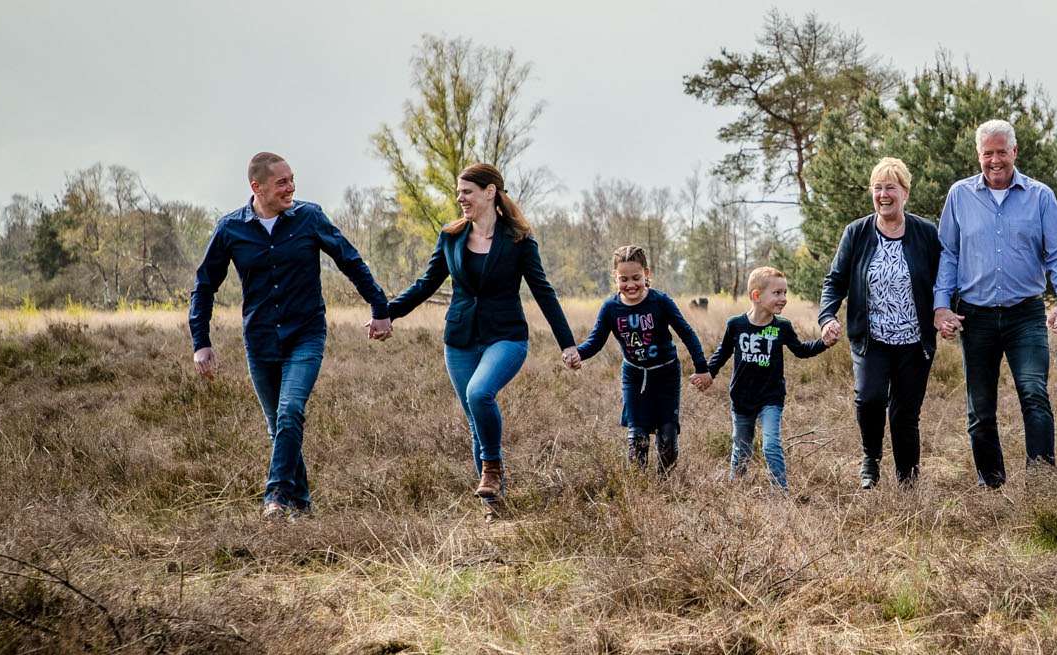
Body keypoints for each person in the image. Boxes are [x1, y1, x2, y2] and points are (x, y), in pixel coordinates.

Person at [188, 151, 392, 518]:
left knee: (290, 411)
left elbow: (350, 260)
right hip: (261, 341)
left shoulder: (309, 218)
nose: (291, 188)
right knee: (277, 426)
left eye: (292, 179)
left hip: (306, 334)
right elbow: (204, 287)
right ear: (257, 187)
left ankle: (276, 497)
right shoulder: (230, 229)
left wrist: (380, 309)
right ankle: (303, 505)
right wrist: (201, 342)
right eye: (282, 182)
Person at [383, 162, 578, 516]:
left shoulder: (518, 240)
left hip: (506, 337)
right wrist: (388, 312)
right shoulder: (451, 236)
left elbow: (544, 293)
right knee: (475, 418)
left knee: (479, 393)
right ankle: (493, 503)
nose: (461, 198)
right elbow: (426, 284)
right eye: (458, 193)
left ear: (490, 192)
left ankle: (492, 469)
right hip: (459, 338)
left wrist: (567, 344)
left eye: (467, 192)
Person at [932, 119, 1057, 486]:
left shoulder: (1040, 196)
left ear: (1015, 152)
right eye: (988, 153)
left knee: (1034, 394)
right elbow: (948, 254)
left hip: (1025, 315)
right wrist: (940, 306)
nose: (995, 160)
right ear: (978, 155)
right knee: (980, 409)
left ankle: (1042, 484)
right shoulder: (959, 196)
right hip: (975, 316)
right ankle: (992, 485)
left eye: (1002, 152)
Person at [817, 157, 942, 489]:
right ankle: (870, 458)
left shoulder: (926, 233)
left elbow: (945, 280)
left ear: (905, 192)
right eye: (878, 188)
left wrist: (947, 312)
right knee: (870, 398)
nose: (884, 194)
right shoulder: (856, 233)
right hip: (871, 338)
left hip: (914, 342)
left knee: (905, 415)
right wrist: (827, 316)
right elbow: (835, 280)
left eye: (891, 187)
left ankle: (908, 482)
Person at [569, 245, 712, 473]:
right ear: (615, 278)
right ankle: (639, 487)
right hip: (634, 375)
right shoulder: (610, 308)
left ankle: (663, 487)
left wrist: (702, 368)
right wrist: (578, 353)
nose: (630, 284)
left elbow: (687, 333)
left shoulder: (660, 302)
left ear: (647, 274)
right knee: (638, 438)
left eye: (636, 277)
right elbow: (595, 341)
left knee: (667, 440)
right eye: (623, 279)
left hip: (666, 374)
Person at [703, 266, 833, 490]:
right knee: (741, 448)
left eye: (785, 293)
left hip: (771, 398)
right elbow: (722, 353)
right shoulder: (736, 325)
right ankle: (737, 490)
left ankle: (781, 492)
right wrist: (708, 373)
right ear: (756, 295)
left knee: (771, 445)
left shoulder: (782, 327)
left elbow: (801, 351)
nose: (783, 298)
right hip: (741, 398)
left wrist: (824, 342)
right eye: (777, 293)